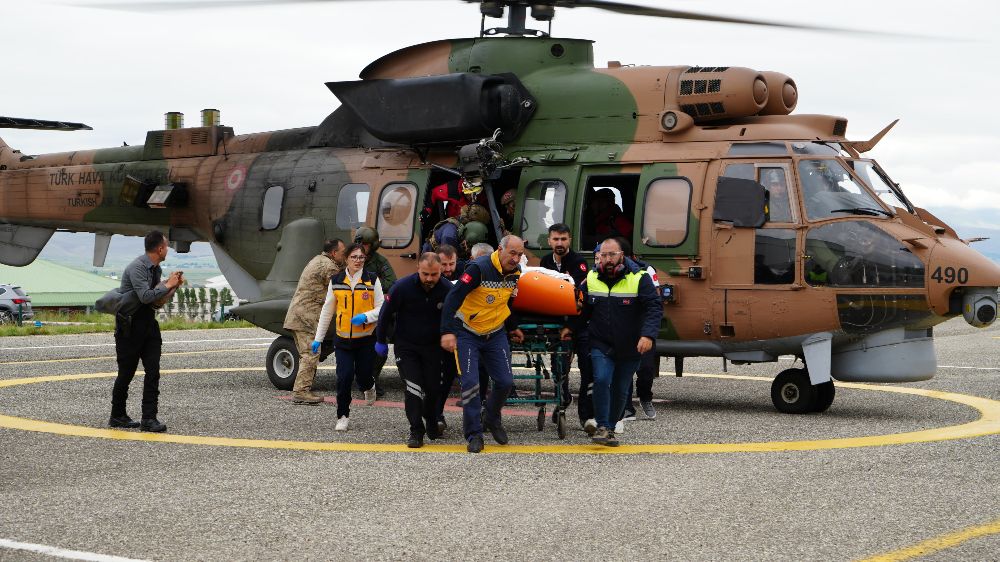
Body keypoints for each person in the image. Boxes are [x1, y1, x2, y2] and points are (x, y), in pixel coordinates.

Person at [561, 237, 660, 446]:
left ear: (621, 256)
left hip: (631, 345)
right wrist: (571, 328)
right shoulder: (592, 277)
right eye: (603, 255)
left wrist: (648, 335)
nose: (607, 259)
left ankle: (611, 428)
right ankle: (603, 426)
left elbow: (654, 308)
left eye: (612, 255)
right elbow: (585, 309)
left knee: (620, 388)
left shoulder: (640, 278)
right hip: (601, 342)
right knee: (602, 380)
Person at [440, 236, 525, 453]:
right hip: (468, 333)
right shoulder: (478, 269)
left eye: (520, 254)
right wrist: (448, 331)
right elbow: (452, 298)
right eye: (512, 253)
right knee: (471, 385)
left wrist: (512, 325)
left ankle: (492, 417)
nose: (516, 258)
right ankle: (474, 434)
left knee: (505, 383)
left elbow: (507, 300)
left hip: (495, 333)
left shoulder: (515, 272)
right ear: (500, 249)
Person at [109, 230, 183, 433]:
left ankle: (149, 418)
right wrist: (167, 284)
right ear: (160, 248)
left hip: (148, 325)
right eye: (166, 246)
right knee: (126, 373)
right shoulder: (137, 268)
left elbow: (155, 303)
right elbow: (144, 296)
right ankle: (117, 415)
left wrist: (172, 288)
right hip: (129, 327)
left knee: (153, 372)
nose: (167, 249)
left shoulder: (156, 269)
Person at [376, 252, 453, 448]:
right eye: (425, 274)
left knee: (433, 389)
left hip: (434, 348)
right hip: (407, 347)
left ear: (441, 271)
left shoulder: (446, 289)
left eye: (434, 274)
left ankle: (431, 418)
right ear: (418, 269)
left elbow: (456, 316)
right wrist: (381, 340)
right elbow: (385, 314)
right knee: (413, 388)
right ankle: (416, 430)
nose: (429, 279)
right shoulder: (402, 287)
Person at [313, 243, 384, 431]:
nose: (358, 261)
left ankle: (369, 387)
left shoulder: (372, 280)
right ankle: (342, 415)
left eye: (361, 257)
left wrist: (366, 317)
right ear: (346, 259)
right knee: (343, 378)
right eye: (354, 257)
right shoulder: (336, 280)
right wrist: (318, 339)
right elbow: (328, 311)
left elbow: (382, 308)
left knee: (363, 377)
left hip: (366, 339)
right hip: (343, 340)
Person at [436, 241, 494, 435]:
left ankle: (480, 412)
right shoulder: (433, 277)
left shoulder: (468, 272)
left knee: (480, 372)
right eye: (443, 265)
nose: (448, 269)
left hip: (472, 331)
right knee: (444, 377)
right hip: (448, 333)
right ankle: (437, 416)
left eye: (451, 264)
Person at [538, 223, 591, 425]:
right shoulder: (545, 261)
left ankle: (586, 417)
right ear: (549, 241)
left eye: (563, 239)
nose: (559, 243)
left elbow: (578, 296)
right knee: (559, 369)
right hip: (558, 324)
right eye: (556, 239)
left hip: (579, 322)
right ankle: (563, 398)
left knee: (587, 368)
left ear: (570, 240)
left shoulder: (579, 262)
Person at [282, 238, 345, 405]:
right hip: (305, 317)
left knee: (308, 354)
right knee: (310, 353)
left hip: (300, 315)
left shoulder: (318, 260)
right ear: (333, 253)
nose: (345, 255)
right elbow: (342, 286)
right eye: (343, 252)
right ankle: (301, 392)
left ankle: (303, 390)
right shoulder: (328, 266)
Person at [354, 226, 396, 398]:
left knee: (380, 346)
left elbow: (392, 282)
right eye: (359, 243)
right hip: (353, 307)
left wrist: (372, 286)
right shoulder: (351, 258)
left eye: (365, 244)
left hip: (373, 308)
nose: (362, 248)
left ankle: (372, 379)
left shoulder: (379, 261)